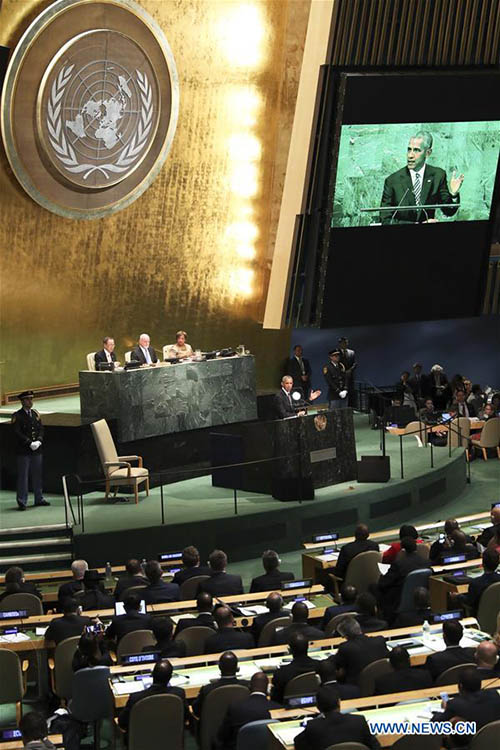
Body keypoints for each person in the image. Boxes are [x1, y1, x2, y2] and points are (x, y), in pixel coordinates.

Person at [380, 130, 463, 225]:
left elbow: (448, 211)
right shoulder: (392, 181)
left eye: (416, 150)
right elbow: (385, 220)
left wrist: (453, 193)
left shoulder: (438, 175)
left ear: (428, 153)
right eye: (409, 149)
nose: (410, 155)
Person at [293, 685, 380, 750]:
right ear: (339, 702)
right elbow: (375, 746)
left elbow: (298, 742)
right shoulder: (359, 721)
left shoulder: (313, 726)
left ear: (318, 708)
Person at [118, 659, 188, 737]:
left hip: (141, 740)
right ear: (170, 677)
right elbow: (185, 717)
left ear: (152, 674)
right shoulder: (179, 693)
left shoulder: (135, 698)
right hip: (170, 739)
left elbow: (122, 722)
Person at [216, 671, 281, 750]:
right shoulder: (277, 708)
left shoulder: (235, 707)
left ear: (249, 687)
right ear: (268, 689)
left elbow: (222, 736)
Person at [12, 391, 49, 510]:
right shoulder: (17, 416)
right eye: (28, 400)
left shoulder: (35, 414)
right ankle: (22, 501)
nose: (30, 402)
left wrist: (39, 440)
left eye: (31, 399)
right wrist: (29, 442)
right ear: (22, 401)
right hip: (24, 451)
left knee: (37, 475)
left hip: (36, 450)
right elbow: (16, 433)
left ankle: (39, 498)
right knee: (23, 476)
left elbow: (41, 429)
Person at [432, 667, 500, 731]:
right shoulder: (494, 694)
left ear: (460, 686)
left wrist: (444, 710)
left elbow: (435, 723)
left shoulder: (455, 704)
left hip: (470, 741)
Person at [377, 536, 428, 622]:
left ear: (403, 551)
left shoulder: (398, 565)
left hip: (398, 600)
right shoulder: (426, 563)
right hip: (421, 599)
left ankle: (383, 619)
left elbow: (382, 583)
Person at [332, 616, 389, 686]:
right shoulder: (379, 640)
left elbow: (339, 669)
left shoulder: (345, 648)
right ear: (359, 628)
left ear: (345, 636)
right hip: (384, 682)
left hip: (358, 686)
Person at [192, 651, 248, 719]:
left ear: (219, 667)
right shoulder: (247, 686)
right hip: (239, 727)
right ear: (237, 668)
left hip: (213, 728)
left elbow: (196, 711)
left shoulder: (207, 689)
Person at [270, 631, 321, 703]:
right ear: (308, 647)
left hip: (287, 707)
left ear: (289, 650)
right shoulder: (320, 666)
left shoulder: (281, 673)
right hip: (318, 703)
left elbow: (275, 699)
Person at [457, 550, 500, 616]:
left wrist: (458, 596)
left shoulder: (476, 583)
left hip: (480, 616)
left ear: (483, 563)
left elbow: (469, 602)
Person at [337, 337, 357, 407]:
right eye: (344, 343)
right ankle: (343, 408)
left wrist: (350, 370)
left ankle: (352, 408)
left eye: (346, 342)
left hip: (350, 377)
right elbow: (335, 364)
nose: (345, 344)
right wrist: (343, 371)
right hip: (341, 378)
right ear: (340, 344)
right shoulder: (336, 353)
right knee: (343, 394)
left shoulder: (352, 352)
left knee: (351, 392)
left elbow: (355, 363)